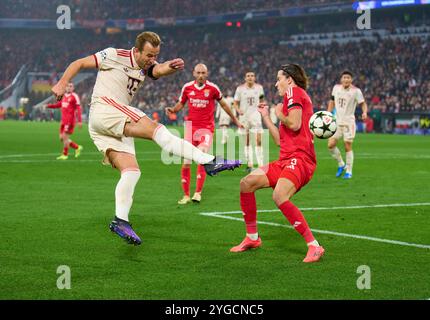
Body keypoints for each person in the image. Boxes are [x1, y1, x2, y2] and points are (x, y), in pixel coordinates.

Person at [51, 31, 241, 245]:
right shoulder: (114, 54)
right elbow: (79, 63)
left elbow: (157, 70)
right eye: (149, 55)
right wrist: (61, 83)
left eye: (156, 55)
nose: (152, 59)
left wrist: (169, 66)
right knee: (157, 130)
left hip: (109, 125)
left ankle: (120, 220)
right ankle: (208, 161)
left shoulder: (147, 65)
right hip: (105, 109)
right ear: (137, 50)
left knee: (131, 172)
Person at [230, 64, 325, 263]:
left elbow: (296, 124)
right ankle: (252, 238)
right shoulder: (289, 100)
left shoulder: (294, 92)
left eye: (278, 78)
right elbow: (278, 141)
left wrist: (278, 112)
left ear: (289, 79)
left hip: (301, 159)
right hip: (285, 160)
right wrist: (267, 118)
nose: (275, 84)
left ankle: (314, 246)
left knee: (279, 195)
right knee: (246, 183)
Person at [166, 64, 242, 204]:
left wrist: (235, 120)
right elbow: (181, 103)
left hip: (206, 129)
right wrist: (173, 110)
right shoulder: (187, 87)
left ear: (207, 74)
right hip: (190, 128)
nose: (201, 75)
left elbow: (224, 105)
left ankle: (198, 193)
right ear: (194, 73)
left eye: (203, 73)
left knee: (201, 157)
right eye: (198, 72)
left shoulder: (213, 88)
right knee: (186, 162)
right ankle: (186, 195)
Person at [327, 70, 368, 179]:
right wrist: (328, 113)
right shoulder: (336, 88)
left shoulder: (356, 91)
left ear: (351, 80)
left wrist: (364, 112)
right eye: (344, 77)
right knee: (330, 145)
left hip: (348, 123)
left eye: (348, 78)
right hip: (337, 122)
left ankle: (349, 171)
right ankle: (341, 164)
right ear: (341, 79)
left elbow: (363, 103)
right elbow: (332, 101)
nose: (346, 79)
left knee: (347, 146)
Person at [233, 72, 265, 172]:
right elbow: (235, 103)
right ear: (245, 78)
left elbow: (262, 100)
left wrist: (262, 107)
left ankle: (260, 164)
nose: (250, 77)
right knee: (247, 142)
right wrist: (238, 111)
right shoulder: (240, 89)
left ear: (254, 78)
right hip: (244, 117)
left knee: (258, 140)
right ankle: (249, 164)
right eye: (248, 76)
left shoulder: (259, 88)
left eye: (252, 76)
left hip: (255, 116)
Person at [46, 82, 83, 160]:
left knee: (65, 138)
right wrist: (49, 106)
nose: (69, 87)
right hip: (63, 121)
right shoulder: (63, 96)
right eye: (67, 86)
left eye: (71, 86)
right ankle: (77, 147)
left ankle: (65, 154)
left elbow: (78, 109)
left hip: (70, 121)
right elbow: (59, 105)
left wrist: (79, 121)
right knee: (62, 138)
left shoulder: (74, 96)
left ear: (73, 88)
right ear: (65, 88)